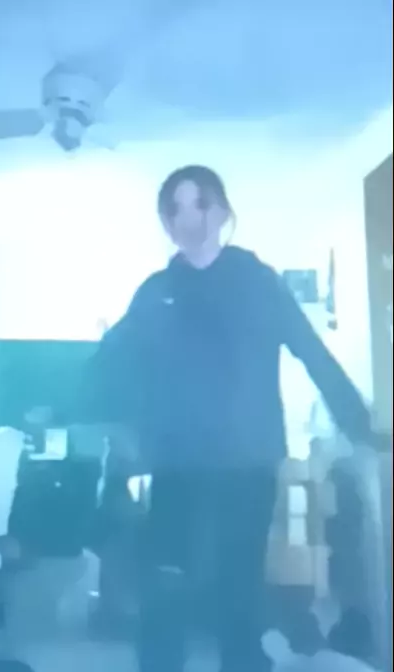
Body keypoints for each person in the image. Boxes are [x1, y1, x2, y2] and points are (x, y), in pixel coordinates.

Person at [66, 165, 377, 672]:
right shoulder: (156, 292)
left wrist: (358, 424)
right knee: (165, 587)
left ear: (223, 211)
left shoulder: (259, 283)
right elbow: (110, 360)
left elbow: (312, 352)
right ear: (166, 221)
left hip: (247, 463)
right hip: (176, 463)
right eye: (175, 209)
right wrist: (79, 415)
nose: (188, 218)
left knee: (238, 588)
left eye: (200, 204)